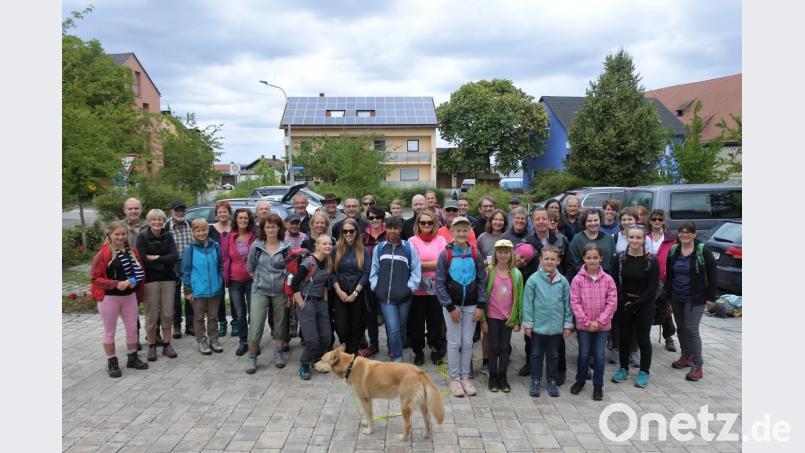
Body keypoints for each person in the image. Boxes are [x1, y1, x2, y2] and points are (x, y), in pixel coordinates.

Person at [436, 216, 488, 397]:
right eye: (458, 230)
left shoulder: (475, 253)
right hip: (453, 306)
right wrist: (450, 307)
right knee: (454, 341)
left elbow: (482, 280)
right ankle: (454, 379)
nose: (461, 233)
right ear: (452, 231)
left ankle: (465, 377)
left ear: (469, 232)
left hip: (472, 305)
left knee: (467, 342)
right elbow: (440, 283)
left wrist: (481, 305)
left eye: (465, 230)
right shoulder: (446, 254)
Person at [90, 221, 148, 378]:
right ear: (109, 234)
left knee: (132, 329)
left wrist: (132, 282)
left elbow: (140, 273)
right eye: (117, 234)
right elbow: (95, 278)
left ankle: (132, 357)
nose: (121, 237)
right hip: (110, 298)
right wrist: (116, 283)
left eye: (123, 234)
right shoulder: (103, 254)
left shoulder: (132, 250)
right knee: (110, 332)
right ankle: (112, 361)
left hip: (129, 297)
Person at [665, 220, 717, 382]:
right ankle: (686, 356)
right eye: (682, 232)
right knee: (681, 327)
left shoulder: (703, 251)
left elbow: (713, 275)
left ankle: (697, 364)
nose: (685, 234)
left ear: (694, 234)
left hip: (696, 297)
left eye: (688, 232)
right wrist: (667, 298)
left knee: (691, 329)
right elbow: (669, 276)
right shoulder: (674, 250)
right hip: (676, 296)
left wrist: (711, 297)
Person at [520, 207, 569, 381]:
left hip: (556, 289)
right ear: (532, 222)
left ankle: (560, 369)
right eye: (537, 219)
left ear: (550, 220)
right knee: (531, 333)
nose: (541, 221)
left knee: (557, 334)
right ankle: (530, 363)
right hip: (534, 290)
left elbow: (569, 263)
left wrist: (566, 281)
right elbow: (522, 265)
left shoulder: (561, 239)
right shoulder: (526, 241)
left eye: (544, 218)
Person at [610, 225, 659, 389]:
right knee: (624, 338)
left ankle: (644, 371)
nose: (635, 240)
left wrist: (637, 304)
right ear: (627, 238)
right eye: (632, 237)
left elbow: (653, 287)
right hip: (624, 303)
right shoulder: (619, 258)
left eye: (638, 237)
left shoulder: (651, 260)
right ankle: (623, 368)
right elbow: (614, 283)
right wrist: (624, 302)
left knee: (643, 339)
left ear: (644, 239)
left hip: (644, 304)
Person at [569, 243, 618, 401]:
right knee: (583, 354)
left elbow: (612, 303)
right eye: (588, 258)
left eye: (595, 257)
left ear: (601, 258)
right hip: (584, 326)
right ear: (583, 258)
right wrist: (585, 321)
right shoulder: (577, 280)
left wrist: (600, 321)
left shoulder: (608, 280)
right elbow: (575, 302)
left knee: (599, 355)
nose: (592, 261)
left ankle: (598, 385)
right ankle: (580, 380)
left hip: (602, 326)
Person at [522, 245, 572, 398]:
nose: (549, 262)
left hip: (555, 328)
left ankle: (552, 381)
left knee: (553, 355)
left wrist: (567, 324)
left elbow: (567, 304)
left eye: (553, 259)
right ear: (541, 260)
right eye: (546, 259)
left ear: (558, 261)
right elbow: (528, 303)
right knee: (536, 354)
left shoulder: (563, 282)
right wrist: (528, 324)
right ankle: (535, 380)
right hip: (538, 327)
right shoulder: (533, 280)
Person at [370, 216, 421, 363]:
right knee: (393, 327)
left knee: (401, 326)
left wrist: (410, 288)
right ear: (385, 229)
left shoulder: (408, 248)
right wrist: (376, 287)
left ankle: (394, 349)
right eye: (390, 227)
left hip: (404, 297)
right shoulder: (379, 248)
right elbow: (374, 270)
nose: (393, 231)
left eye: (396, 228)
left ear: (400, 229)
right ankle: (398, 357)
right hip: (386, 298)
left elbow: (416, 270)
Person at [245, 214, 290, 373]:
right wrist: (260, 280)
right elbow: (250, 268)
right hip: (260, 290)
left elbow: (290, 270)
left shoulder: (286, 246)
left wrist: (288, 292)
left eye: (274, 226)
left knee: (280, 323)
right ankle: (251, 355)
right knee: (256, 323)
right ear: (263, 229)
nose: (271, 229)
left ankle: (278, 352)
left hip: (280, 292)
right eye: (268, 227)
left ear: (279, 228)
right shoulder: (256, 246)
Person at [135, 209, 179, 361]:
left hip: (168, 279)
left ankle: (167, 345)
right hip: (150, 281)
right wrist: (162, 261)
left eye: (160, 219)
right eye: (153, 220)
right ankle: (152, 346)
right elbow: (142, 259)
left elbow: (174, 256)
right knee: (151, 315)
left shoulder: (169, 236)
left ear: (163, 221)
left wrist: (156, 258)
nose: (157, 222)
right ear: (148, 221)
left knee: (167, 314)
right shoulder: (142, 237)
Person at [481, 239, 523, 393]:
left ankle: (502, 376)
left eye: (506, 252)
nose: (503, 255)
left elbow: (519, 298)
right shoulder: (489, 272)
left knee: (505, 347)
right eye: (500, 251)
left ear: (511, 254)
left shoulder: (517, 274)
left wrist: (518, 319)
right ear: (495, 254)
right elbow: (483, 296)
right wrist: (483, 320)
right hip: (492, 316)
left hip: (508, 318)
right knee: (493, 347)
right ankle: (492, 376)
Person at [408, 210, 448, 366]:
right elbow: (412, 264)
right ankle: (418, 352)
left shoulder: (441, 240)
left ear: (434, 224)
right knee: (417, 324)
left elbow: (443, 263)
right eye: (422, 222)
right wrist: (434, 263)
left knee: (435, 323)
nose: (426, 225)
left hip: (436, 290)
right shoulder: (412, 241)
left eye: (429, 222)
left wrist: (421, 265)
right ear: (418, 224)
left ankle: (435, 349)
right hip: (417, 290)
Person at [292, 234, 334, 380]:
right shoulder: (308, 263)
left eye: (329, 244)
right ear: (317, 245)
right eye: (324, 244)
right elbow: (294, 284)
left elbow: (324, 284)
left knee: (326, 337)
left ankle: (316, 360)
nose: (328, 246)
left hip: (320, 302)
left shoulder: (328, 262)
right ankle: (304, 363)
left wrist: (325, 300)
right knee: (312, 340)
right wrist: (301, 304)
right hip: (306, 301)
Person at [182, 218, 224, 355]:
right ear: (193, 232)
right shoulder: (190, 248)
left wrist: (220, 281)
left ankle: (214, 340)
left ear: (208, 230)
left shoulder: (215, 245)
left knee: (213, 317)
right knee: (199, 317)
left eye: (204, 230)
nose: (201, 233)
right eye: (198, 230)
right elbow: (186, 271)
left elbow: (220, 266)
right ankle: (201, 340)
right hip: (198, 290)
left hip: (215, 289)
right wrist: (188, 290)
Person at [332, 218, 370, 355]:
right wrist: (338, 291)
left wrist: (355, 293)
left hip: (357, 289)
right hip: (340, 289)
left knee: (357, 324)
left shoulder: (363, 250)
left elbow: (366, 272)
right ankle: (346, 347)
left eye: (351, 231)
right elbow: (332, 272)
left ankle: (353, 352)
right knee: (341, 325)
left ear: (356, 232)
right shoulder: (336, 249)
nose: (348, 234)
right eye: (345, 231)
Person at [223, 208, 256, 356]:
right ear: (235, 220)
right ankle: (243, 341)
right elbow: (224, 258)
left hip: (252, 279)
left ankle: (254, 342)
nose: (243, 220)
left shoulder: (254, 236)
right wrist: (225, 278)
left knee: (254, 313)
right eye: (240, 218)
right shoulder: (229, 237)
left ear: (249, 220)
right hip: (234, 279)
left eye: (246, 218)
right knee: (240, 312)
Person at [645, 209, 678, 352]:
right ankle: (643, 336)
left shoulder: (671, 239)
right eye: (654, 219)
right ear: (650, 221)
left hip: (665, 278)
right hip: (646, 277)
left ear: (664, 221)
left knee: (665, 309)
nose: (657, 222)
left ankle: (668, 336)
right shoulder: (644, 236)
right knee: (646, 308)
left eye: (660, 219)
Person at [359, 205, 388, 358]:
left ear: (383, 219)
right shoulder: (363, 236)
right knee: (370, 315)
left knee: (388, 314)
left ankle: (392, 345)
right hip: (369, 281)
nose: (375, 220)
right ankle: (374, 345)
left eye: (378, 217)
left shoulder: (389, 234)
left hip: (387, 281)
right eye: (371, 218)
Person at [167, 200, 194, 337]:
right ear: (172, 211)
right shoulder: (166, 227)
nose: (180, 213)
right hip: (173, 264)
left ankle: (191, 325)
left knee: (190, 294)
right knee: (175, 297)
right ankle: (176, 325)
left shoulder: (191, 225)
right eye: (177, 210)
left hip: (190, 263)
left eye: (183, 210)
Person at [567, 209, 616, 275]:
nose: (593, 223)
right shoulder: (577, 239)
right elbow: (573, 262)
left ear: (600, 221)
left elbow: (612, 261)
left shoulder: (609, 238)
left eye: (596, 220)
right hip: (583, 278)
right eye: (589, 221)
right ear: (584, 222)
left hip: (605, 278)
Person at [209, 201, 233, 338]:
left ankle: (235, 323)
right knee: (219, 297)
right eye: (220, 212)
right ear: (216, 214)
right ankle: (222, 322)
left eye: (225, 211)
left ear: (229, 214)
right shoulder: (211, 229)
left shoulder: (235, 228)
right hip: (216, 267)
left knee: (235, 297)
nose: (222, 214)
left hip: (233, 266)